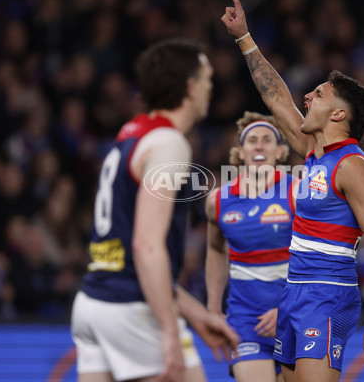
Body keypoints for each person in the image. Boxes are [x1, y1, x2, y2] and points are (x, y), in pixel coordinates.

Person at [221, 0, 364, 382]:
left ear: (337, 113)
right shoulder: (314, 152)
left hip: (328, 295)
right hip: (294, 291)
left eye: (317, 94)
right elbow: (275, 96)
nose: (306, 96)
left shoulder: (354, 166)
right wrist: (244, 38)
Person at [71, 38, 239, 382]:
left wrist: (193, 313)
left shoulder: (130, 135)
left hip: (93, 303)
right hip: (132, 309)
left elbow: (132, 255)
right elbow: (146, 247)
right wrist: (168, 330)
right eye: (207, 80)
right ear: (190, 88)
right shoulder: (169, 143)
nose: (211, 88)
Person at [206, 111, 299, 382]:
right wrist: (213, 309)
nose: (259, 145)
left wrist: (287, 308)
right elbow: (214, 249)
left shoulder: (297, 193)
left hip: (295, 316)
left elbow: (316, 256)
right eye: (252, 140)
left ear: (280, 151)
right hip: (246, 321)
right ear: (241, 153)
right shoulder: (218, 201)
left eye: (267, 140)